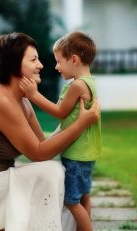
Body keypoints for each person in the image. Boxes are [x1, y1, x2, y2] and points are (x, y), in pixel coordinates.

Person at [0, 32, 100, 231]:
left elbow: (43, 146)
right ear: (13, 65)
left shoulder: (23, 101)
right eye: (33, 59)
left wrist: (71, 123)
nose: (41, 65)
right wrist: (80, 125)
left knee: (60, 173)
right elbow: (38, 152)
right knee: (51, 172)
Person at [19, 31, 102, 231]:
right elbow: (69, 117)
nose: (56, 67)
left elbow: (59, 112)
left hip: (76, 154)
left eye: (58, 62)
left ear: (73, 59)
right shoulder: (90, 82)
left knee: (71, 201)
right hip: (87, 153)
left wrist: (33, 95)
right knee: (83, 196)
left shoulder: (77, 86)